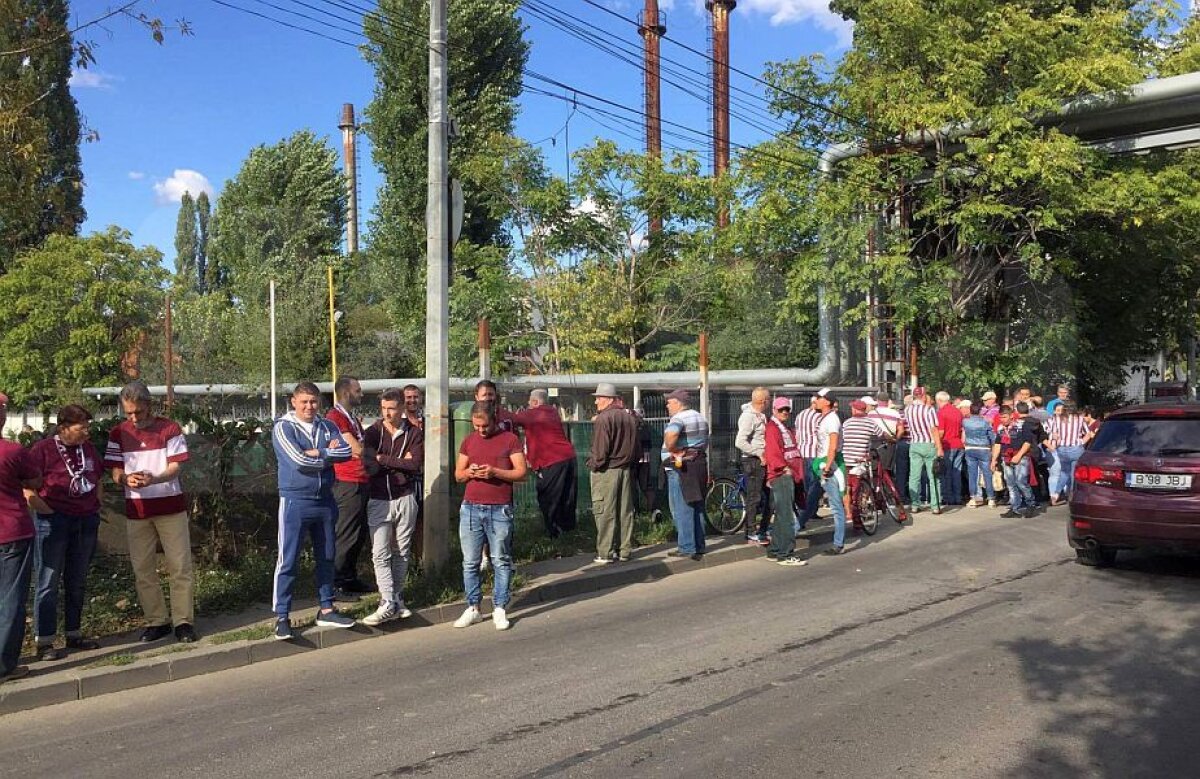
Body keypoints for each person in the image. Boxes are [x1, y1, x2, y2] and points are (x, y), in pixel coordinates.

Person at [105, 381, 197, 643]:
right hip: (137, 510)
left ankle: (183, 621)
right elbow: (114, 471)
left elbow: (176, 467)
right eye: (129, 413)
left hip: (170, 507)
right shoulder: (118, 433)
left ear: (149, 406)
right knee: (142, 568)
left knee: (179, 566)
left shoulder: (169, 428)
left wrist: (153, 479)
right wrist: (125, 480)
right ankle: (157, 620)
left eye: (139, 412)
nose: (134, 418)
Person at [270, 382, 357, 640]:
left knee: (327, 555)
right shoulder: (283, 428)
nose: (309, 407)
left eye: (314, 402)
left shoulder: (328, 425)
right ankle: (282, 616)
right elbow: (298, 461)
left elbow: (346, 451)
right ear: (294, 402)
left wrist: (318, 452)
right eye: (304, 402)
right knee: (288, 559)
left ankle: (327, 608)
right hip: (295, 501)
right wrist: (326, 454)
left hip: (325, 500)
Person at [25, 405, 104, 660]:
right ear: (63, 428)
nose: (86, 433)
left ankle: (74, 633)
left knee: (77, 579)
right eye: (82, 428)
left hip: (85, 520)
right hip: (54, 520)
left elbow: (98, 479)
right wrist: (45, 511)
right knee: (48, 581)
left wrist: (95, 507)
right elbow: (27, 488)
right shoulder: (42, 450)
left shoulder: (88, 449)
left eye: (88, 428)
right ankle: (45, 641)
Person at [453, 402, 527, 631]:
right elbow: (458, 475)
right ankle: (473, 607)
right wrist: (470, 472)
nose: (480, 430)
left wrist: (495, 472)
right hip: (471, 507)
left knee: (500, 559)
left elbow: (521, 473)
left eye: (484, 425)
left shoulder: (510, 440)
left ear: (494, 419)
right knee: (470, 561)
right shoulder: (469, 441)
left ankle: (499, 607)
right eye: (476, 426)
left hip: (499, 508)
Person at [360, 388, 423, 626]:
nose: (387, 413)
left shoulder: (413, 432)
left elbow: (415, 465)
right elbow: (370, 467)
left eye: (392, 408)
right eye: (384, 408)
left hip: (405, 497)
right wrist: (399, 462)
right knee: (380, 552)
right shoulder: (373, 432)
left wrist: (383, 459)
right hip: (379, 498)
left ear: (401, 408)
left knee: (401, 550)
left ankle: (396, 597)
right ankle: (386, 600)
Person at [0, 391, 42, 684]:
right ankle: (4, 665)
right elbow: (35, 481)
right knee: (11, 600)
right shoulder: (13, 452)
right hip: (13, 532)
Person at [326, 376, 373, 601]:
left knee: (358, 533)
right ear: (346, 393)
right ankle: (336, 583)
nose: (361, 394)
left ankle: (349, 577)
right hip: (347, 482)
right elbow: (357, 449)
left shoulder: (349, 417)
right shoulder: (335, 417)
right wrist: (365, 449)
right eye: (358, 390)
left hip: (360, 481)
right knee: (345, 533)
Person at [586, 383, 640, 564]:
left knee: (604, 511)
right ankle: (625, 550)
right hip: (625, 469)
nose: (596, 402)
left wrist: (593, 464)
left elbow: (601, 451)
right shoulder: (629, 418)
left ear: (608, 399)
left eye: (598, 398)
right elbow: (636, 447)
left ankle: (606, 552)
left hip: (606, 471)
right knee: (625, 511)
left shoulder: (603, 419)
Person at [514, 389, 578, 539]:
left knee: (548, 496)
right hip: (568, 456)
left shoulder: (532, 414)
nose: (528, 405)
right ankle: (568, 530)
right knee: (567, 496)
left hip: (551, 460)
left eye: (529, 402)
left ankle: (552, 531)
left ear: (535, 402)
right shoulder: (552, 412)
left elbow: (512, 418)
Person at [661, 389, 709, 560]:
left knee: (682, 507)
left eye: (670, 402)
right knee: (697, 505)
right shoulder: (700, 416)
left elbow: (672, 434)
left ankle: (687, 547)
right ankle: (699, 545)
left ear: (678, 403)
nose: (667, 405)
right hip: (698, 464)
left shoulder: (678, 418)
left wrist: (672, 449)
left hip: (681, 468)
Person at [763, 397, 806, 566]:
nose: (785, 412)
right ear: (774, 410)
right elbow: (773, 451)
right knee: (786, 515)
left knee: (782, 514)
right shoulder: (773, 428)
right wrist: (783, 469)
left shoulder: (782, 428)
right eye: (781, 410)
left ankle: (774, 549)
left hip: (787, 474)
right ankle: (785, 553)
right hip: (782, 475)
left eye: (787, 409)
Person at [813, 390, 851, 555]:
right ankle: (795, 528)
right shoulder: (825, 418)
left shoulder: (832, 420)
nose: (816, 400)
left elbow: (833, 444)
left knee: (836, 506)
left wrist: (828, 466)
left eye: (819, 398)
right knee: (811, 500)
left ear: (827, 402)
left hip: (830, 466)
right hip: (823, 463)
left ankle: (838, 543)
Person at [735, 387, 771, 546]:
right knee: (754, 497)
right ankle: (750, 532)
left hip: (761, 460)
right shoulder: (748, 417)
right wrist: (758, 453)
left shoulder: (761, 415)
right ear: (764, 401)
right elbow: (740, 441)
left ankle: (763, 528)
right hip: (753, 461)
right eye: (768, 399)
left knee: (769, 497)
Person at [992, 405, 1037, 518]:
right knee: (1010, 483)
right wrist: (993, 460)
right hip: (1006, 457)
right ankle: (1014, 507)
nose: (1002, 419)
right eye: (1001, 417)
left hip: (1020, 457)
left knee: (1021, 482)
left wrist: (1019, 455)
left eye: (1005, 417)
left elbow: (1028, 442)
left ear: (1011, 416)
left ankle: (1030, 504)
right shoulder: (1000, 428)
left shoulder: (1021, 426)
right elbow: (997, 444)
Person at [904, 387, 944, 514]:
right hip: (928, 444)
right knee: (933, 476)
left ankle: (915, 504)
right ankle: (935, 505)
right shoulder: (929, 410)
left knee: (914, 476)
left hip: (914, 444)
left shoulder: (907, 410)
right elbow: (934, 429)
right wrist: (939, 447)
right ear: (923, 395)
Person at [842, 399, 880, 531]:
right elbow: (881, 435)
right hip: (860, 460)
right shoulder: (870, 423)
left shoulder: (846, 423)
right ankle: (858, 516)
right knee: (859, 489)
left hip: (846, 460)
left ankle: (849, 513)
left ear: (855, 410)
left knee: (847, 488)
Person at [1047, 402, 1091, 505]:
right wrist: (1081, 442)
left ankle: (1056, 494)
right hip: (1076, 448)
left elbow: (1054, 434)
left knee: (1064, 472)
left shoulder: (1057, 419)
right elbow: (1088, 433)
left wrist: (1054, 444)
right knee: (1074, 473)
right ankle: (1072, 494)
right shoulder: (1080, 419)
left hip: (1062, 448)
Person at [794, 394, 824, 531]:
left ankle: (808, 512)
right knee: (815, 486)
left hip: (801, 453)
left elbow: (797, 432)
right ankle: (806, 515)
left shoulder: (801, 414)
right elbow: (821, 435)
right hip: (814, 453)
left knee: (806, 487)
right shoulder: (818, 417)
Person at [962, 403, 997, 507]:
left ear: (970, 410)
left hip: (970, 447)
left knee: (972, 474)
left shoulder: (965, 422)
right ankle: (991, 499)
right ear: (980, 411)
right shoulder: (985, 423)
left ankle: (973, 498)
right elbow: (992, 437)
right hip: (984, 448)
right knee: (987, 473)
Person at [935, 391, 965, 506]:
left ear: (939, 400)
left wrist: (936, 443)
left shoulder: (941, 413)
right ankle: (958, 497)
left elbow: (941, 432)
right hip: (958, 444)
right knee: (956, 472)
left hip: (947, 445)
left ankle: (948, 497)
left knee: (946, 473)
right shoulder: (957, 411)